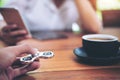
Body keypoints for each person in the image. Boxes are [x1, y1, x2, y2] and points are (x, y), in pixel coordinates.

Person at [0, 0, 103, 45]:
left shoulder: (76, 3)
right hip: (29, 46)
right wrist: (3, 30)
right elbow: (3, 16)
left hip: (64, 49)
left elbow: (93, 28)